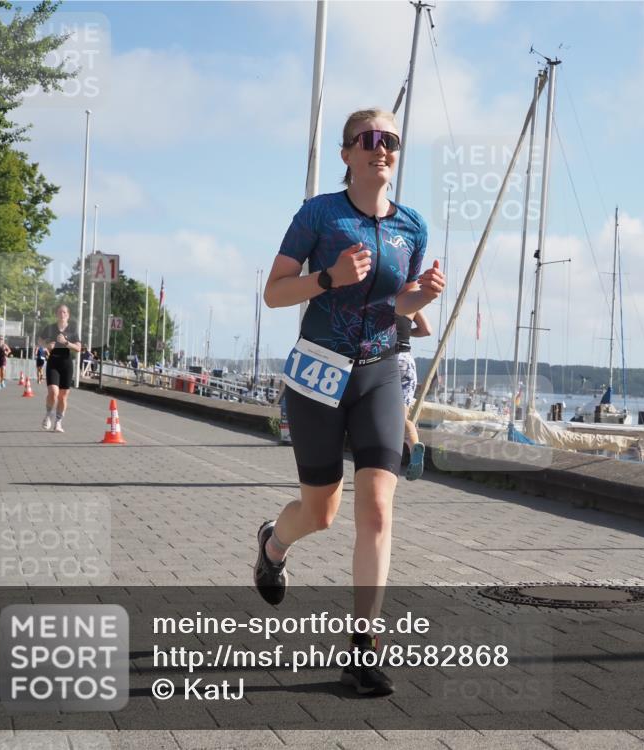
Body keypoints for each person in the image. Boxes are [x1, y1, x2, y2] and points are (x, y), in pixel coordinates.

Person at [253, 108, 444, 696]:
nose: (380, 148)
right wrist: (328, 278)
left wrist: (421, 298)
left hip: (381, 372)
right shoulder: (319, 214)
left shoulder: (412, 225)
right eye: (369, 139)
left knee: (378, 510)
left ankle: (364, 648)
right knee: (322, 513)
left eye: (390, 140)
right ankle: (272, 545)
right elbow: (274, 293)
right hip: (318, 373)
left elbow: (403, 310)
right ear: (347, 153)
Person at [396, 311, 432, 480]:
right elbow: (426, 330)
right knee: (402, 418)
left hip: (385, 359)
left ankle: (385, 465)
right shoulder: (413, 303)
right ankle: (414, 445)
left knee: (381, 416)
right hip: (407, 361)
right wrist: (406, 331)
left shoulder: (381, 296)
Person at [38, 304, 82, 432]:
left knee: (63, 397)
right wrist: (46, 345)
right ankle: (48, 415)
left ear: (68, 315)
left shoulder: (73, 330)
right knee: (53, 392)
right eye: (59, 312)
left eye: (64, 312)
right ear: (56, 314)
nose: (62, 314)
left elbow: (78, 348)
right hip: (53, 362)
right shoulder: (50, 328)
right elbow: (39, 340)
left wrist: (66, 342)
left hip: (66, 364)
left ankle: (58, 422)